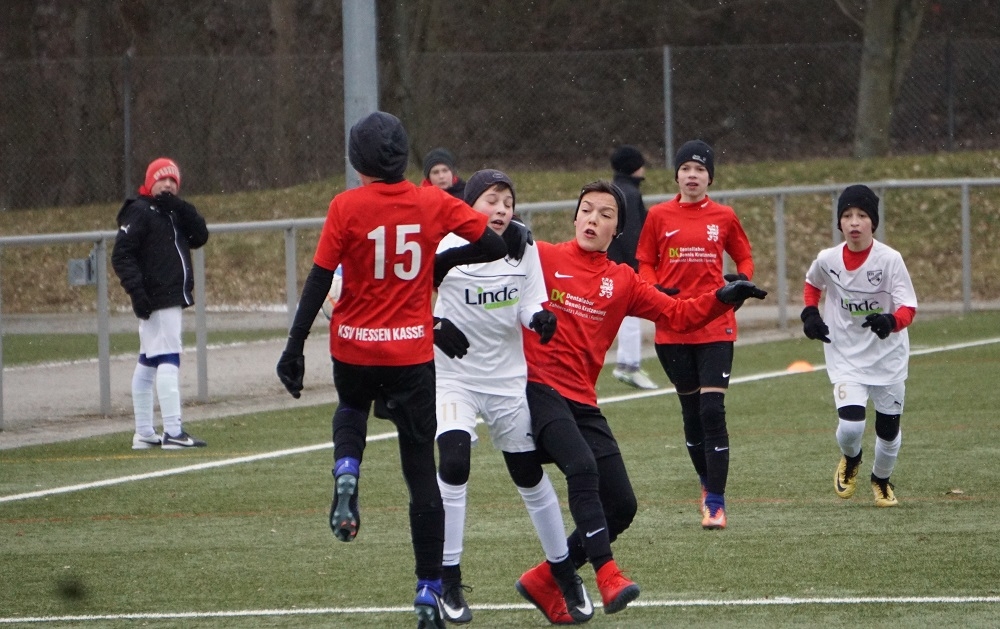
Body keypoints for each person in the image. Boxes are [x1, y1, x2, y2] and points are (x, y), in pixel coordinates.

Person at [274, 111, 506, 629]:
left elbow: (318, 279)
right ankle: (428, 590)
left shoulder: (345, 206)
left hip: (354, 348)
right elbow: (494, 245)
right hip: (410, 355)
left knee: (351, 408)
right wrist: (440, 263)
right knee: (421, 474)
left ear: (358, 161)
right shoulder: (432, 201)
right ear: (404, 157)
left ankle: (347, 470)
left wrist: (294, 346)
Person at [516, 180, 767, 620]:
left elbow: (678, 315)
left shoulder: (623, 281)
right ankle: (607, 574)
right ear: (574, 217)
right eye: (586, 210)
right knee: (583, 467)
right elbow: (489, 268)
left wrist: (721, 298)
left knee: (622, 506)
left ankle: (544, 578)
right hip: (536, 390)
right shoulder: (543, 258)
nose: (593, 219)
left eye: (605, 214)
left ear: (617, 231)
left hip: (582, 401)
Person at [431, 169, 591, 625]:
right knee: (454, 463)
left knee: (527, 474)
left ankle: (564, 572)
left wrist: (539, 318)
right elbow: (409, 298)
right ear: (469, 205)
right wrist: (434, 326)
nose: (501, 209)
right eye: (491, 200)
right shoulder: (443, 245)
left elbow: (529, 301)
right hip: (455, 379)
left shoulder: (523, 247)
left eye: (508, 202)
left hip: (506, 382)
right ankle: (447, 579)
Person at [635, 139, 755, 530]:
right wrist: (653, 289)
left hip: (716, 324)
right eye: (686, 168)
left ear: (710, 178)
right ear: (676, 175)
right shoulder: (658, 215)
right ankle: (706, 481)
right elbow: (645, 262)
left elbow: (744, 256)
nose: (692, 175)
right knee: (691, 413)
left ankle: (716, 502)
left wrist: (741, 283)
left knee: (711, 410)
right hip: (672, 326)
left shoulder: (724, 216)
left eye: (700, 169)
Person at [800, 184, 917, 508]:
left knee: (888, 430)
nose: (854, 222)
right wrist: (810, 314)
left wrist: (890, 321)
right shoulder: (827, 259)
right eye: (847, 215)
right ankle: (851, 458)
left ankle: (881, 480)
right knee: (851, 427)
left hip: (887, 357)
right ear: (839, 222)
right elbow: (812, 283)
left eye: (862, 215)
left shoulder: (890, 260)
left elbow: (908, 307)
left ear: (873, 222)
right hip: (845, 354)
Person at [111, 157, 209, 451]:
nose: (167, 185)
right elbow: (122, 255)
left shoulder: (172, 211)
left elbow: (200, 235)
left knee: (148, 361)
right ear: (149, 182)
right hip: (158, 295)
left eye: (172, 180)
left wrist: (179, 206)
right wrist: (136, 291)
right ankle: (173, 431)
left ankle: (143, 431)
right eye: (162, 179)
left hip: (167, 294)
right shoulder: (141, 211)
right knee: (168, 357)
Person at [607, 144, 658, 390]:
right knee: (630, 316)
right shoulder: (629, 193)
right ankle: (629, 366)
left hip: (614, 261)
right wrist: (637, 263)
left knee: (624, 315)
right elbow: (631, 232)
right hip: (623, 264)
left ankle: (628, 364)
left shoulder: (617, 189)